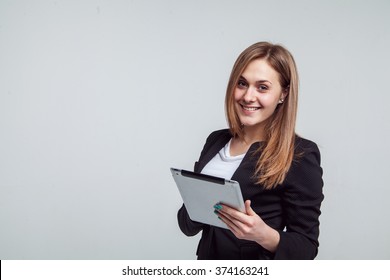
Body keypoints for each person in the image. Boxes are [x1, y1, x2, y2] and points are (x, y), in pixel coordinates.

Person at [177, 42, 324, 260]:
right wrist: (199, 202)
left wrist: (264, 235)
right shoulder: (216, 140)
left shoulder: (300, 154)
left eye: (262, 87)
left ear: (283, 93)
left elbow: (307, 247)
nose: (248, 96)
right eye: (242, 83)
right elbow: (187, 225)